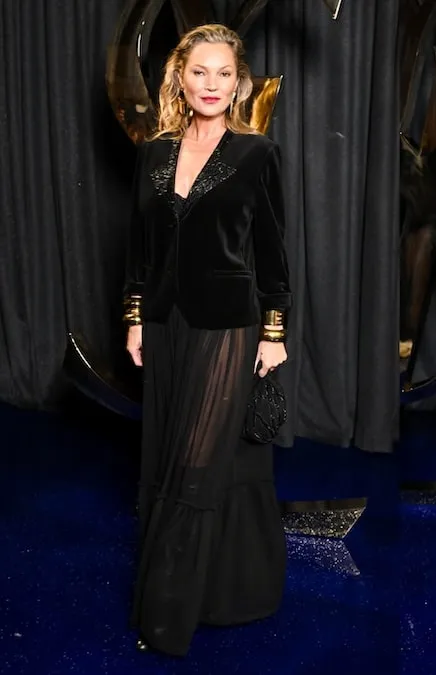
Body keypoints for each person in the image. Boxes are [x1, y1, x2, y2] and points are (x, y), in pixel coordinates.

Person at [122, 23, 291, 657]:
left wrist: (274, 330)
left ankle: (166, 617)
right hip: (165, 324)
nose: (212, 85)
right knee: (168, 457)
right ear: (180, 78)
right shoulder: (154, 152)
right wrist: (135, 317)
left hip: (230, 324)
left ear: (239, 82)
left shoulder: (256, 155)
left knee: (197, 463)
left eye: (224, 74)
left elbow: (273, 251)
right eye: (200, 73)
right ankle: (228, 592)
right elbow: (140, 249)